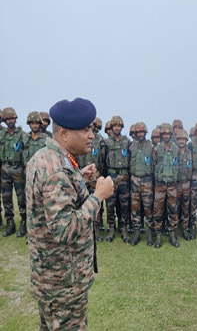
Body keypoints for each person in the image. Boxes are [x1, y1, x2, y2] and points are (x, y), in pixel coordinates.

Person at [26, 97, 114, 330]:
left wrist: (78, 178)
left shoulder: (44, 158)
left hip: (50, 278)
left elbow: (49, 199)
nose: (91, 135)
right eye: (85, 129)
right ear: (64, 133)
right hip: (64, 284)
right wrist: (99, 196)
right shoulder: (58, 171)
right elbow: (65, 229)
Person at [0, 107, 27, 237]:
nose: (10, 121)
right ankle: (10, 223)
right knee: (6, 197)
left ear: (15, 119)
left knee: (21, 197)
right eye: (8, 119)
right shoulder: (1, 135)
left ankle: (24, 223)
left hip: (18, 168)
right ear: (4, 120)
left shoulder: (22, 135)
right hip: (5, 168)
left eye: (12, 118)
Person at [104, 116, 131, 242]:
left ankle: (124, 228)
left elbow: (132, 160)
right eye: (115, 126)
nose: (117, 128)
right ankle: (111, 228)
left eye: (119, 126)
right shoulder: (107, 142)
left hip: (124, 178)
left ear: (121, 127)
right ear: (111, 127)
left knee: (124, 204)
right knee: (110, 204)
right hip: (111, 177)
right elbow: (103, 160)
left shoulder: (127, 142)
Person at [152, 123, 180, 247]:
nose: (166, 136)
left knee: (173, 210)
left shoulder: (176, 148)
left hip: (172, 184)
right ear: (162, 135)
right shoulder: (157, 149)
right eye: (164, 134)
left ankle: (172, 235)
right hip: (160, 184)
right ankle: (158, 235)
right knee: (158, 210)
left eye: (168, 134)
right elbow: (153, 164)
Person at [129, 121, 154, 246]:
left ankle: (150, 232)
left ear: (145, 132)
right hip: (134, 180)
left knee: (148, 207)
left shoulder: (151, 147)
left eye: (142, 132)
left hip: (147, 180)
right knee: (135, 207)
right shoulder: (131, 146)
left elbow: (155, 164)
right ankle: (137, 232)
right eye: (138, 132)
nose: (140, 134)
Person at [175, 129, 192, 240]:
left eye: (183, 139)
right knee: (174, 208)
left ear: (186, 140)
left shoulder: (189, 152)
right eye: (180, 139)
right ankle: (174, 229)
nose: (181, 141)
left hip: (186, 183)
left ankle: (184, 229)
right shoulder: (173, 151)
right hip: (176, 184)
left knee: (185, 208)